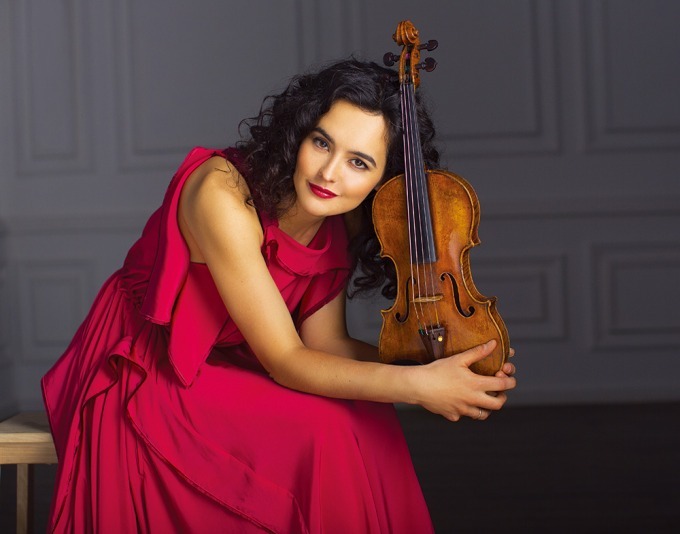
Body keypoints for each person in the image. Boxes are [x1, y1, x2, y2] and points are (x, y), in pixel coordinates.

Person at [42, 58, 516, 533]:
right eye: (322, 143)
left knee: (370, 417)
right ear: (299, 132)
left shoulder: (338, 218)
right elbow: (287, 360)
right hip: (150, 362)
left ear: (383, 182)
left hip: (236, 356)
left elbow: (324, 345)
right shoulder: (222, 194)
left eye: (359, 162)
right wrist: (419, 389)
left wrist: (442, 367)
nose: (330, 173)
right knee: (326, 431)